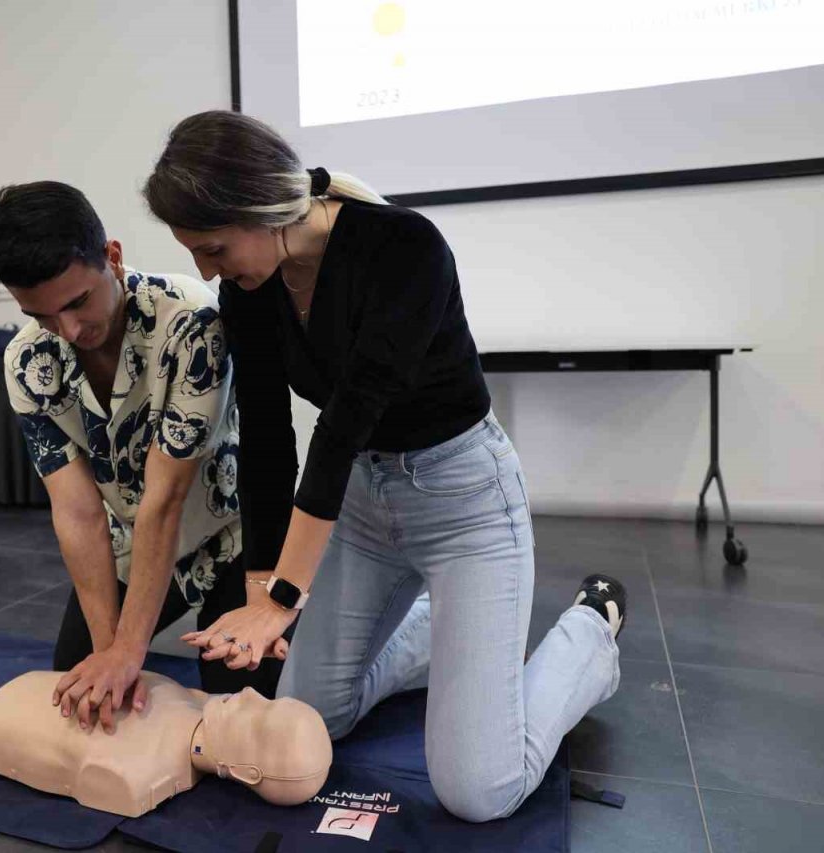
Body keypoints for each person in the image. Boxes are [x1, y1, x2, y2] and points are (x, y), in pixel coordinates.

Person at [141, 111, 627, 823]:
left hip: (465, 502)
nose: (206, 270)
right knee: (308, 720)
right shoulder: (250, 290)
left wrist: (282, 598)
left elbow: (340, 429)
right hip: (366, 506)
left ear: (261, 209)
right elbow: (270, 438)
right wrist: (257, 594)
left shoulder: (404, 247)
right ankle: (448, 630)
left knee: (479, 790)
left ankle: (590, 627)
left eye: (212, 248)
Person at [0, 181, 287, 735]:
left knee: (238, 709)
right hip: (130, 547)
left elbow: (164, 501)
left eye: (77, 303)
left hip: (230, 536)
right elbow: (77, 512)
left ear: (112, 258)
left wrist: (128, 653)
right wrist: (108, 652)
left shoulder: (190, 322)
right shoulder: (26, 360)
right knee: (77, 684)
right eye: (41, 315)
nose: (68, 331)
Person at [0, 669, 331, 817]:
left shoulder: (138, 773)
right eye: (269, 699)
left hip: (2, 719)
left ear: (246, 773)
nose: (251, 694)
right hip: (15, 703)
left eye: (260, 718)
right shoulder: (192, 702)